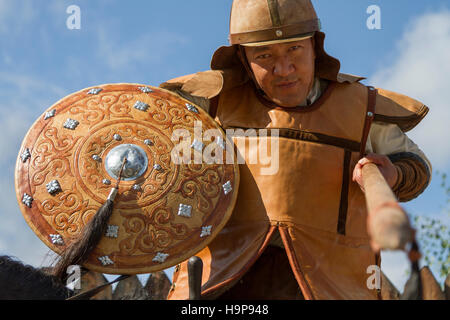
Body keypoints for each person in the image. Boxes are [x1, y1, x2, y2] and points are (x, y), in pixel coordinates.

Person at [160, 0, 431, 300]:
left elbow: (416, 167)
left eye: (294, 50)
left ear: (315, 46)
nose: (283, 69)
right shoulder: (210, 104)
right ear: (243, 57)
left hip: (332, 289)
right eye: (264, 55)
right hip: (219, 289)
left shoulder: (358, 110)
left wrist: (394, 173)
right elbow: (148, 146)